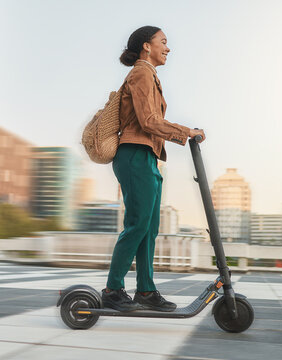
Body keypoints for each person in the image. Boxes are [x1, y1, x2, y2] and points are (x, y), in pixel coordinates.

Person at [102, 26, 205, 312]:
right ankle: (113, 289)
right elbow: (148, 120)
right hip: (134, 155)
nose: (168, 48)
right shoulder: (142, 72)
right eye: (163, 42)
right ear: (147, 46)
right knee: (137, 224)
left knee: (149, 228)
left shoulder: (150, 75)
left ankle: (146, 291)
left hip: (147, 156)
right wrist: (187, 132)